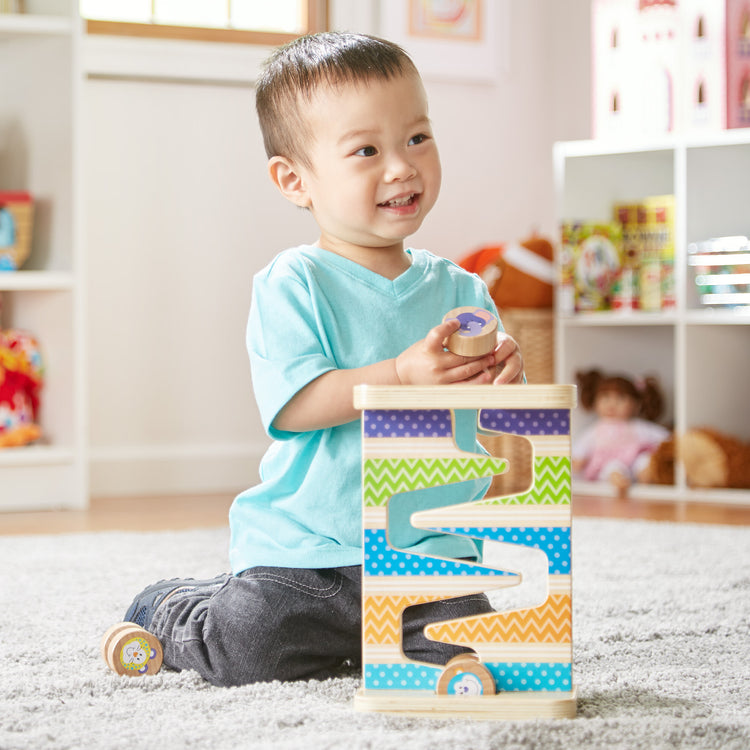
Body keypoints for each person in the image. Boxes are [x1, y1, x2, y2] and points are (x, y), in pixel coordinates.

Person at [122, 31, 524, 688]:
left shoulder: (463, 292)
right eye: (367, 150)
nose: (401, 166)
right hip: (305, 555)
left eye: (417, 138)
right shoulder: (292, 283)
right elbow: (298, 405)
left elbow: (493, 432)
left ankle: (382, 644)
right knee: (247, 651)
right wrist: (400, 375)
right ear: (294, 180)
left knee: (473, 651)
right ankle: (175, 608)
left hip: (428, 559)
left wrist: (507, 385)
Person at [572, 368, 669, 496]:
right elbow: (581, 447)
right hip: (606, 466)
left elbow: (664, 438)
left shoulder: (637, 426)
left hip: (633, 462)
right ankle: (618, 481)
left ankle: (647, 476)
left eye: (620, 398)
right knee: (612, 467)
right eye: (605, 397)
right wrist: (578, 459)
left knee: (644, 460)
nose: (612, 404)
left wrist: (668, 446)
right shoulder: (596, 429)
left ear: (636, 404)